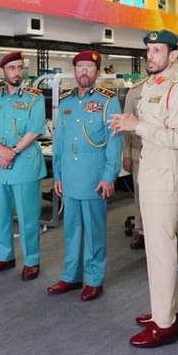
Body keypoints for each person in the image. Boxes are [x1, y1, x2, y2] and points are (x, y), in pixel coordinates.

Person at [109, 30, 178, 348]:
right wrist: (130, 121)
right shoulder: (149, 88)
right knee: (158, 251)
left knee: (161, 252)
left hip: (164, 179)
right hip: (150, 175)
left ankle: (164, 325)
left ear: (173, 56)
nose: (151, 55)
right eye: (149, 50)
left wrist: (138, 126)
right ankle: (172, 310)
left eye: (158, 50)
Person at [48, 50, 122, 302]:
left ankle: (93, 279)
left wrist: (110, 175)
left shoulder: (108, 100)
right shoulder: (66, 102)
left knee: (94, 231)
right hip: (69, 175)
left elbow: (114, 140)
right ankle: (71, 276)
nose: (83, 72)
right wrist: (57, 174)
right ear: (74, 71)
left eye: (89, 67)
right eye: (79, 67)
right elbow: (59, 141)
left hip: (94, 176)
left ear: (97, 73)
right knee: (71, 229)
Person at [0, 51, 46, 280]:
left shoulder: (35, 97)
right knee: (1, 215)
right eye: (12, 68)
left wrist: (12, 152)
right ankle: (5, 256)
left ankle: (31, 261)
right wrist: (2, 151)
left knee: (28, 217)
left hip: (24, 164)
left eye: (20, 67)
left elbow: (34, 130)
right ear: (3, 71)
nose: (17, 72)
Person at [121, 80, 146, 250]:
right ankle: (141, 231)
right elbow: (126, 125)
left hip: (165, 155)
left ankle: (161, 232)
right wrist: (127, 154)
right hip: (140, 153)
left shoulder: (174, 88)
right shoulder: (135, 91)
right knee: (141, 195)